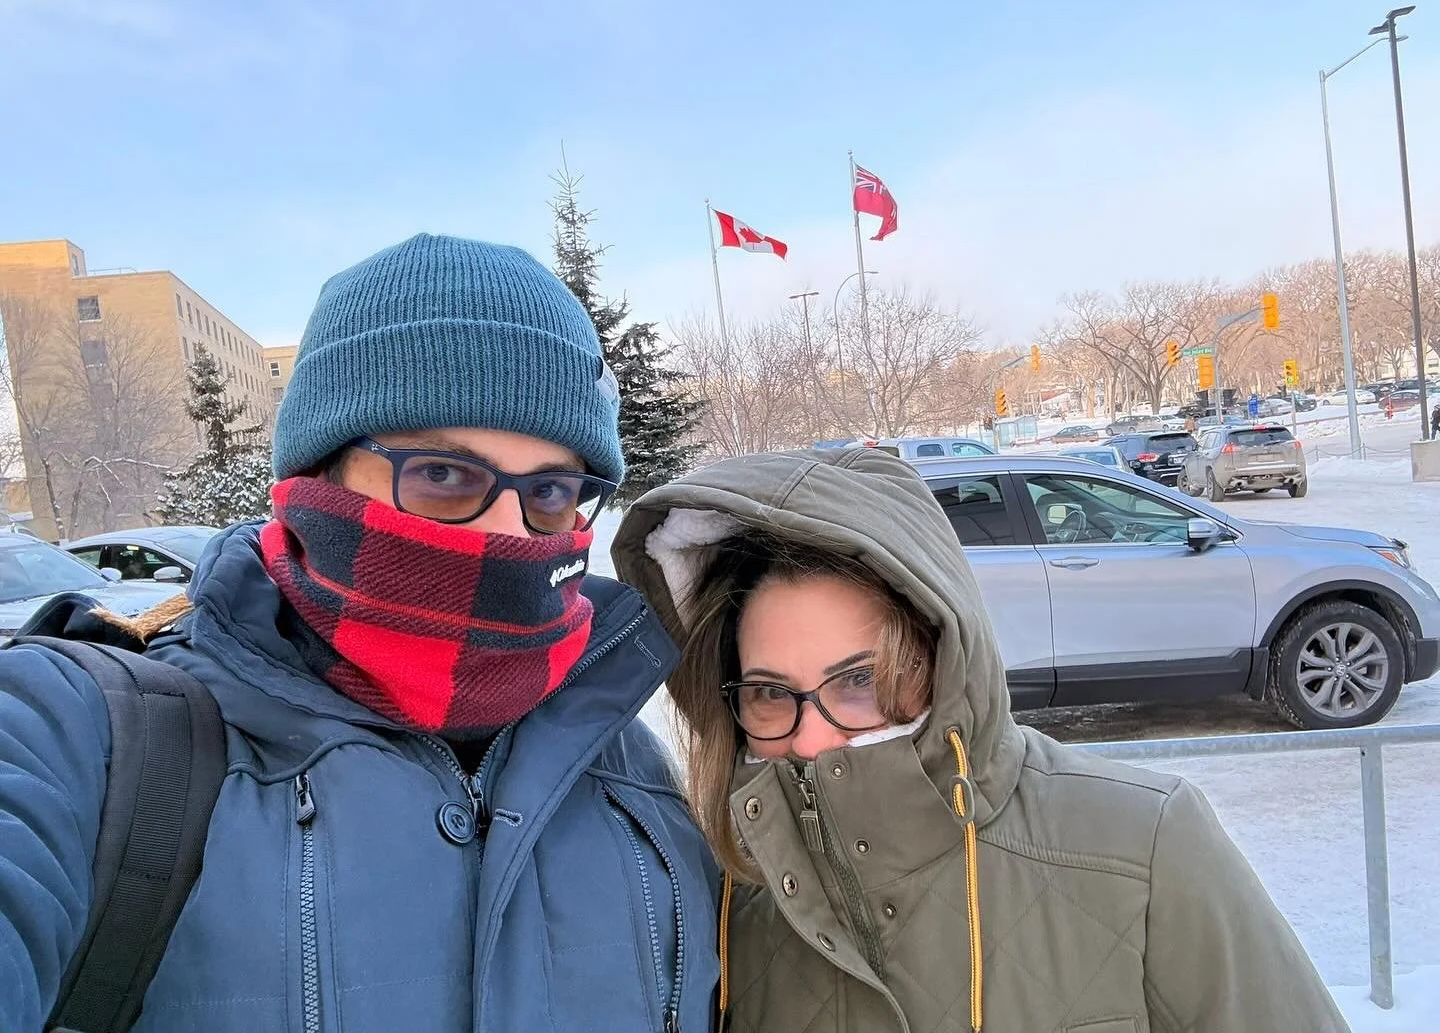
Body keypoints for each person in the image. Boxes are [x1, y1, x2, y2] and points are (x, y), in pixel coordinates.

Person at [0, 234, 718, 1032]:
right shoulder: (88, 741)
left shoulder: (625, 760)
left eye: (550, 491)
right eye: (443, 474)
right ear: (320, 476)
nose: (511, 534)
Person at [614, 447, 1348, 1033]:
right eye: (772, 693)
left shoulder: (1143, 846)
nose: (810, 740)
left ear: (938, 664)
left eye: (859, 681)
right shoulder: (729, 896)